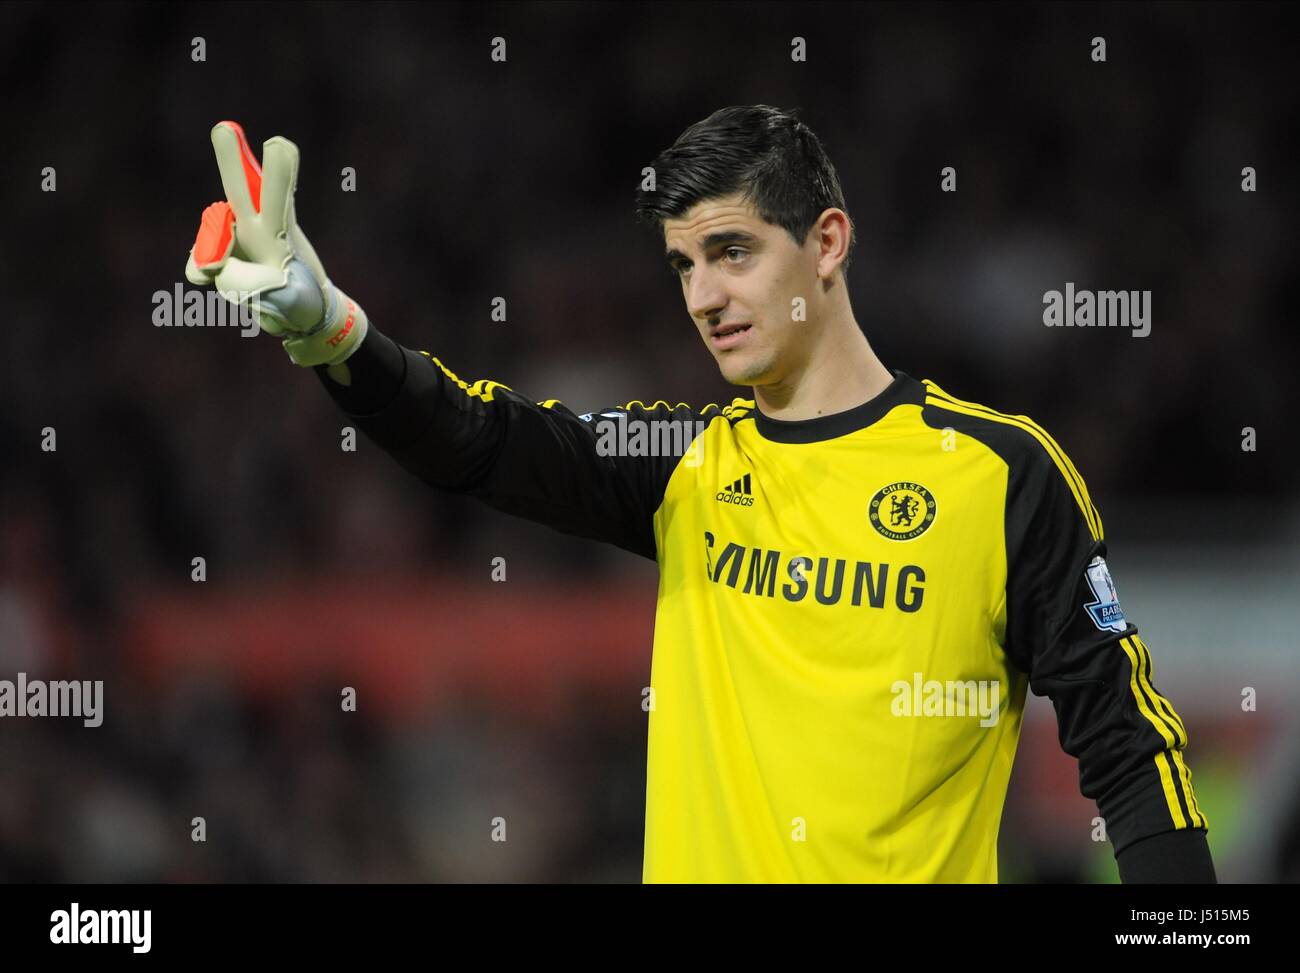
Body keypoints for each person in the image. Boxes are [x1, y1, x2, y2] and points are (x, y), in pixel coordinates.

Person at [183, 105, 1214, 883]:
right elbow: (475, 438)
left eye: (731, 252)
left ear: (826, 243)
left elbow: (1129, 748)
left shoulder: (998, 475)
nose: (704, 297)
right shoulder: (685, 459)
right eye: (683, 265)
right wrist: (333, 334)